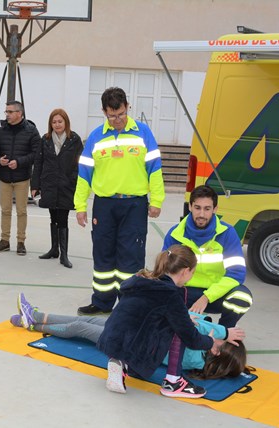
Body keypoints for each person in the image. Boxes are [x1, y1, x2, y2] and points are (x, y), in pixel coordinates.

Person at [93, 245, 242, 398]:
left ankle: (120, 362)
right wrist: (210, 342)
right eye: (193, 272)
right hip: (135, 350)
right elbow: (190, 337)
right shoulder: (170, 295)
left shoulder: (141, 278)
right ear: (185, 271)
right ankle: (173, 381)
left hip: (110, 338)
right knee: (182, 328)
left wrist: (182, 316)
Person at [74, 87, 165, 316]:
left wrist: (157, 200)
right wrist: (80, 206)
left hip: (134, 205)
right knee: (103, 254)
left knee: (131, 256)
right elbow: (84, 174)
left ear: (128, 107)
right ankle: (102, 302)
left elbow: (154, 169)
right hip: (104, 205)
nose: (117, 120)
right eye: (112, 116)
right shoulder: (95, 137)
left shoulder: (143, 133)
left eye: (121, 114)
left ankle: (129, 304)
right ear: (104, 112)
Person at [12, 294, 247, 380]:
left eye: (222, 342)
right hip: (136, 329)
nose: (219, 336)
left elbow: (191, 327)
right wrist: (223, 332)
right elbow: (199, 324)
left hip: (131, 343)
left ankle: (31, 324)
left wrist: (218, 333)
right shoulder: (206, 345)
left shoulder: (195, 357)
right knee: (90, 321)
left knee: (81, 328)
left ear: (217, 352)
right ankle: (35, 314)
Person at [163, 185, 252, 328]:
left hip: (216, 294)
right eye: (197, 208)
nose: (202, 214)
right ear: (190, 206)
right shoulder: (175, 234)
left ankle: (222, 335)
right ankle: (179, 329)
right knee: (160, 293)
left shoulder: (227, 233)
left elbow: (237, 274)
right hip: (184, 292)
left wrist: (206, 297)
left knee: (242, 296)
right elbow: (165, 272)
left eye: (207, 208)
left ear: (215, 209)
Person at [31, 108, 83, 268]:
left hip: (67, 185)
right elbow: (38, 163)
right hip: (49, 184)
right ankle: (54, 249)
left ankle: (64, 255)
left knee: (63, 218)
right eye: (54, 122)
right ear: (50, 124)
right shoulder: (45, 139)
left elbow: (80, 163)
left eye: (60, 121)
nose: (57, 124)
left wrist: (75, 181)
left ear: (66, 122)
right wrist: (35, 185)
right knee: (53, 216)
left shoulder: (74, 139)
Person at [0, 100, 41, 255]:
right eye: (6, 112)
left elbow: (36, 154)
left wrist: (19, 162)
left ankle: (21, 242)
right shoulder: (2, 130)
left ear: (19, 113)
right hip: (4, 177)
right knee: (5, 210)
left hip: (22, 178)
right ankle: (4, 241)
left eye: (10, 112)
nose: (7, 115)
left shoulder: (31, 131)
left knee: (21, 211)